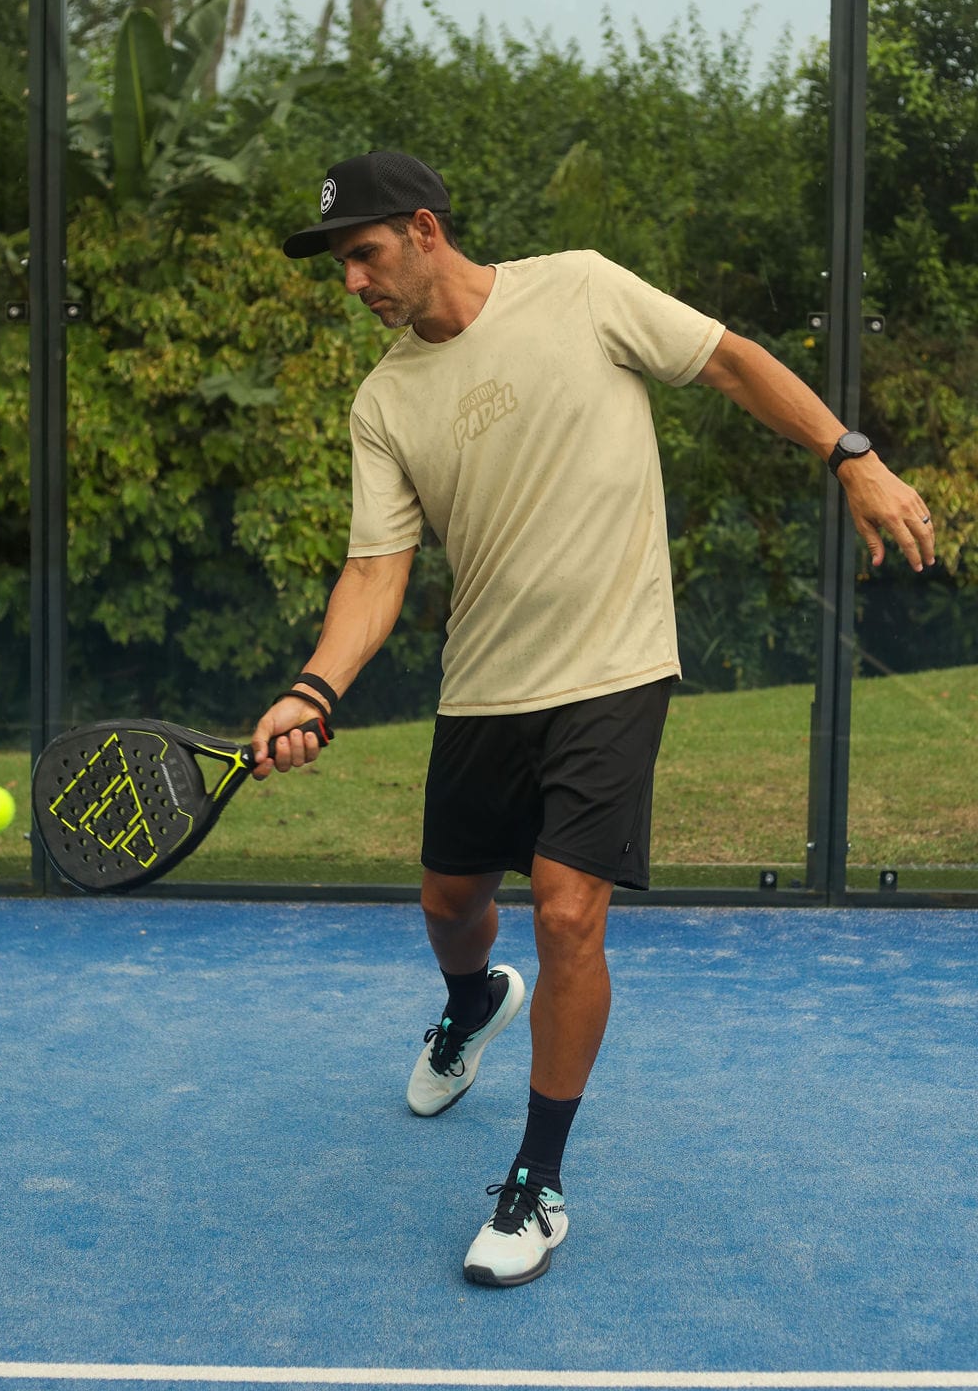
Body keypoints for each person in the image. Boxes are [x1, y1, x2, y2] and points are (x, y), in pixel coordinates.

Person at [251, 149, 936, 1288]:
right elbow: (376, 571)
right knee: (451, 904)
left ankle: (535, 1183)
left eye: (363, 254)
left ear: (425, 229)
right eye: (339, 264)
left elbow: (730, 363)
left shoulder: (580, 288)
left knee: (569, 915)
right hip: (483, 685)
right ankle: (472, 1003)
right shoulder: (383, 401)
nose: (352, 281)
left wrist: (847, 454)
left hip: (615, 669)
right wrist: (313, 688)